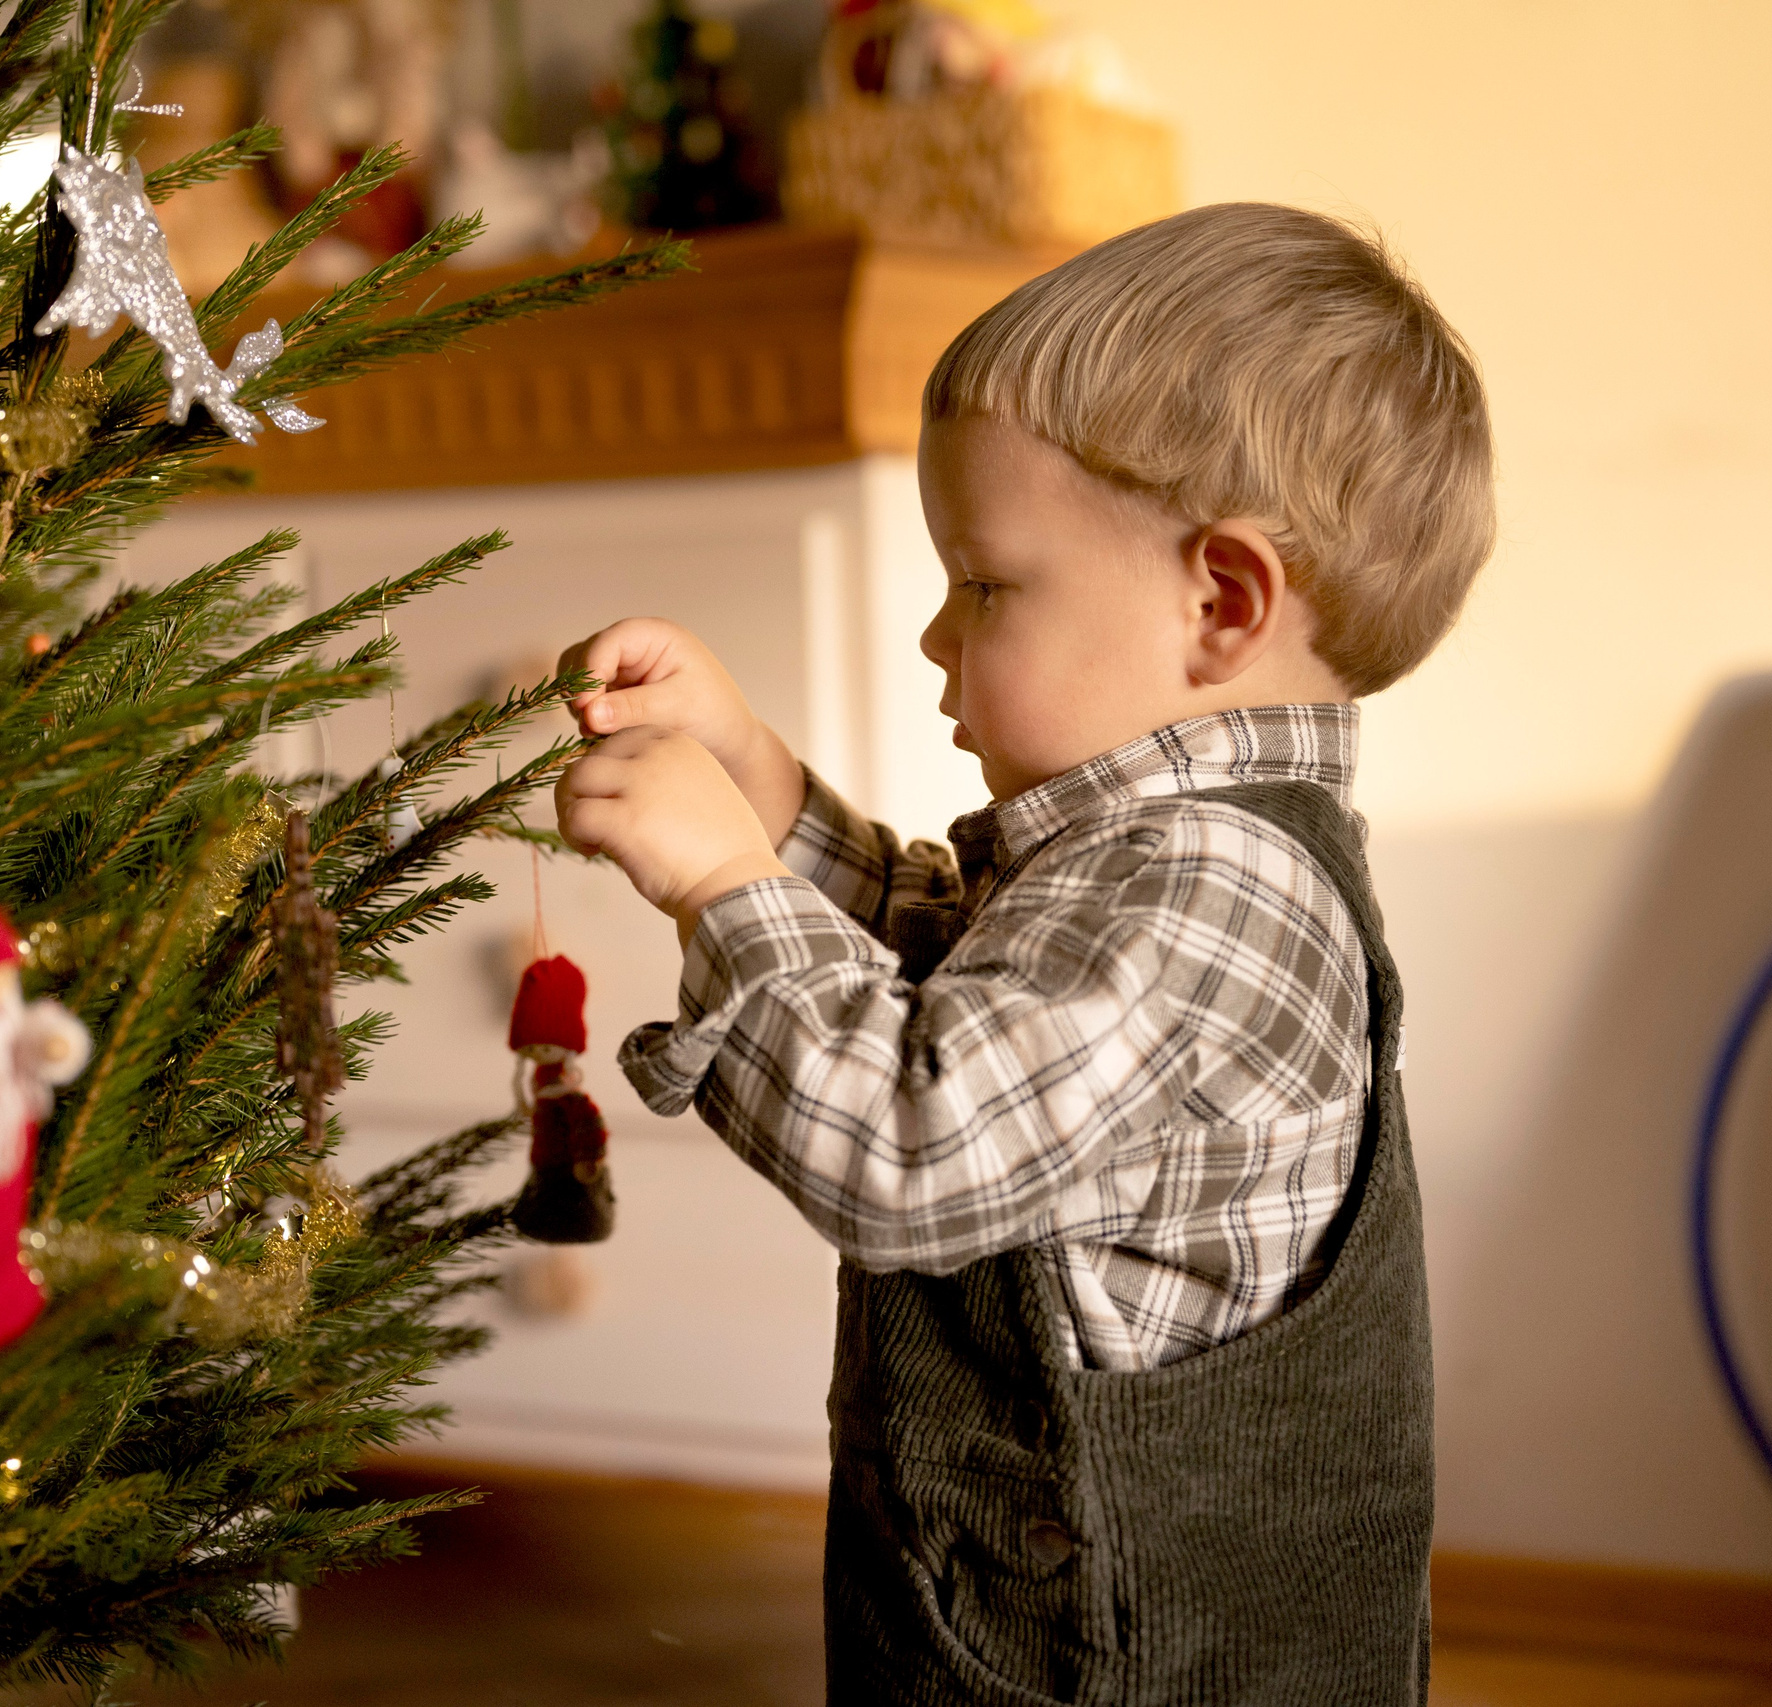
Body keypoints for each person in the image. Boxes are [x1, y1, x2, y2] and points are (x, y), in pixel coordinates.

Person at [553, 202, 1495, 1705]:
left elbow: (916, 1140)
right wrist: (758, 784)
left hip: (1126, 1666)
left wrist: (721, 883)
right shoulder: (1149, 861)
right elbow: (955, 970)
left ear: (1222, 602)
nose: (940, 635)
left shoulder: (1211, 890)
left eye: (984, 583)